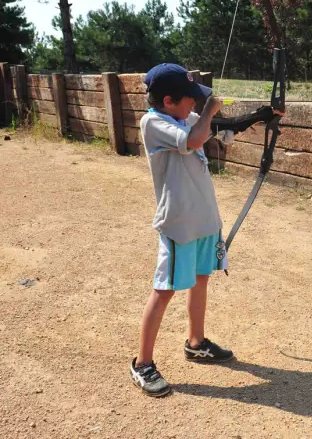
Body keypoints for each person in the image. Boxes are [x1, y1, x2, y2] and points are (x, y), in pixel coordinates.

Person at [130, 63, 234, 398]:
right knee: (165, 289)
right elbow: (194, 138)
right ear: (169, 99)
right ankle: (142, 363)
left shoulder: (185, 117)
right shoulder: (154, 122)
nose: (195, 104)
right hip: (179, 224)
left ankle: (196, 342)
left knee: (201, 278)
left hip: (203, 220)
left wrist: (263, 116)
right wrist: (211, 110)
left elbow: (210, 128)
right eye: (190, 99)